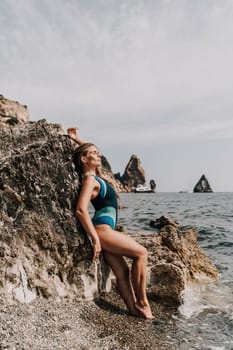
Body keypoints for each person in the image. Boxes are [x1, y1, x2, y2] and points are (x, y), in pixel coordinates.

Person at [67, 128, 154, 319]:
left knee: (122, 271)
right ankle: (142, 301)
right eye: (94, 153)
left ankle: (134, 310)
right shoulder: (90, 181)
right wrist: (95, 239)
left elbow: (90, 156)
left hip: (106, 230)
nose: (98, 155)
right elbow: (81, 209)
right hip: (102, 230)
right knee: (141, 253)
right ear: (84, 159)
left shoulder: (96, 176)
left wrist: (76, 139)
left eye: (98, 153)